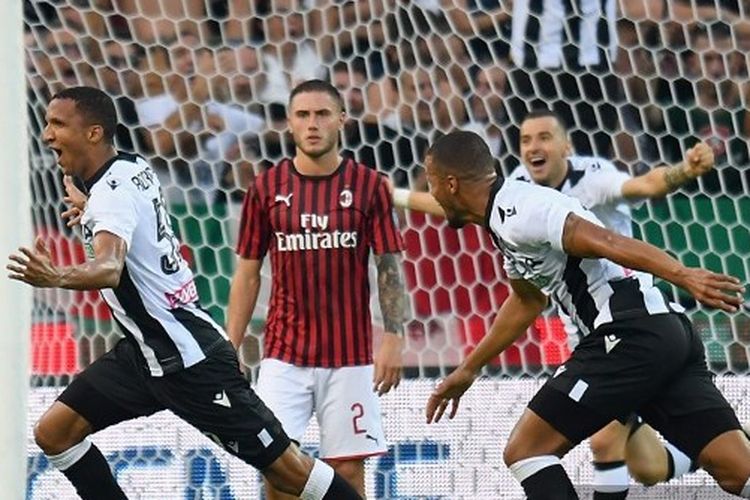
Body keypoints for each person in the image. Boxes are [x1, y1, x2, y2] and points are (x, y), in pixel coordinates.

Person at [6, 86, 362, 500]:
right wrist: (91, 210)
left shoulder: (111, 196)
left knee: (288, 472)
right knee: (55, 433)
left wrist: (56, 276)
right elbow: (125, 217)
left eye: (58, 124)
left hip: (191, 361)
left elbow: (108, 267)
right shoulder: (129, 167)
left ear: (93, 133)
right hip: (145, 354)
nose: (47, 135)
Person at [394, 108, 719, 497]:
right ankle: (716, 448)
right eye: (526, 140)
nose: (534, 147)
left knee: (532, 450)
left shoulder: (542, 200)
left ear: (566, 144)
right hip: (634, 330)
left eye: (544, 137)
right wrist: (468, 369)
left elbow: (617, 230)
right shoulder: (506, 204)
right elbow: (527, 300)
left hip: (624, 331)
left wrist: (683, 272)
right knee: (668, 468)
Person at [226, 79, 406, 499]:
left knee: (347, 474)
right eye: (303, 115)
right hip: (284, 357)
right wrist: (229, 344)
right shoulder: (265, 189)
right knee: (278, 472)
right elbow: (248, 273)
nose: (313, 124)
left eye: (322, 114)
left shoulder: (370, 185)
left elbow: (389, 266)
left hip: (351, 358)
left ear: (341, 120)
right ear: (289, 124)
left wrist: (395, 335)